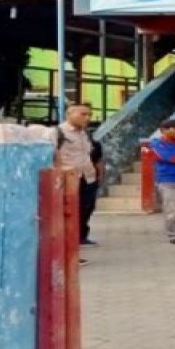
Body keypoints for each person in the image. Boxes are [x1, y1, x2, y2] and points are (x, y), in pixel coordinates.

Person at [54, 103, 104, 250]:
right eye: (83, 114)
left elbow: (93, 156)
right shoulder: (58, 133)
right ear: (69, 114)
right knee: (69, 210)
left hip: (87, 176)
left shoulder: (85, 134)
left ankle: (80, 236)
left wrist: (98, 174)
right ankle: (68, 242)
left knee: (87, 207)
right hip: (69, 177)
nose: (87, 118)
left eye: (89, 114)